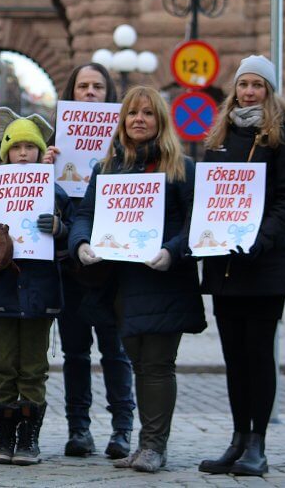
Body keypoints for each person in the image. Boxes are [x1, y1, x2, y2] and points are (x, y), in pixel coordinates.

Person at [69, 86, 206, 473]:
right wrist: (80, 244)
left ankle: (153, 447)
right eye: (132, 113)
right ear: (123, 121)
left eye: (147, 113)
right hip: (123, 283)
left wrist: (172, 252)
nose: (139, 119)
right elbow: (84, 214)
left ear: (160, 120)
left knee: (158, 363)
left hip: (165, 280)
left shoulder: (181, 168)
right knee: (139, 363)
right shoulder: (108, 169)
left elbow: (197, 223)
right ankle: (146, 444)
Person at [198, 56, 285, 477]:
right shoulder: (221, 137)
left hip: (263, 265)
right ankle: (238, 438)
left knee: (259, 356)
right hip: (225, 265)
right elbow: (211, 198)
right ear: (234, 90)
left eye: (257, 85)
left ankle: (257, 445)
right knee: (234, 357)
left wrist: (262, 238)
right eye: (243, 84)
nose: (249, 92)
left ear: (269, 90)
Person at [0, 108, 72, 466]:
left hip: (39, 296)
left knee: (34, 368)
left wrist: (59, 229)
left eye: (31, 146)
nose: (23, 153)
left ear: (41, 151)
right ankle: (3, 439)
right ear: (4, 152)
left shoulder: (55, 193)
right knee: (2, 366)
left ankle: (28, 440)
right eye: (16, 146)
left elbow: (72, 240)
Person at [43, 63, 135, 459]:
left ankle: (122, 431)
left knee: (116, 351)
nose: (91, 93)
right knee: (75, 352)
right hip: (69, 262)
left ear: (109, 94)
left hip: (113, 264)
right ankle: (79, 429)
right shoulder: (54, 143)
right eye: (83, 86)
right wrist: (41, 171)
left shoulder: (127, 144)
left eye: (99, 86)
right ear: (71, 92)